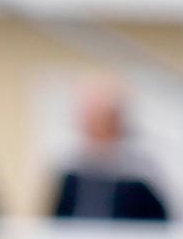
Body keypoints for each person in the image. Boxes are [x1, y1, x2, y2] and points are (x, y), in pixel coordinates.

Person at [47, 77, 169, 222]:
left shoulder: (139, 172)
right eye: (88, 121)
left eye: (99, 121)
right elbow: (57, 220)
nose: (91, 129)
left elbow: (157, 223)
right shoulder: (71, 169)